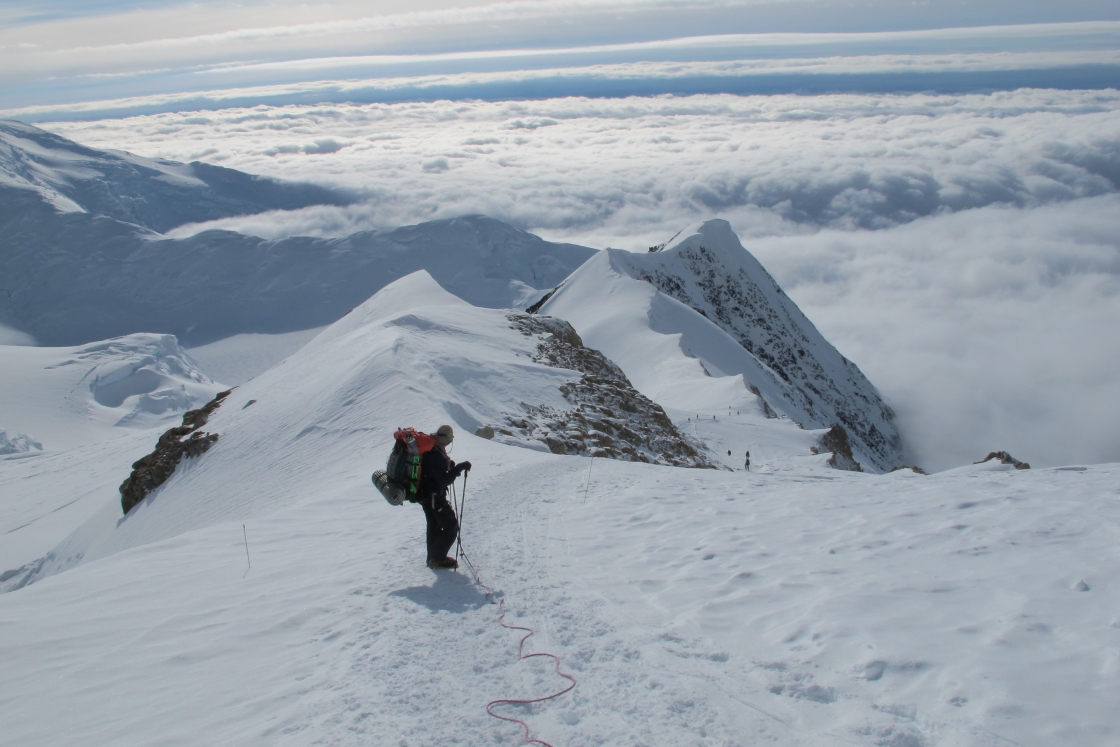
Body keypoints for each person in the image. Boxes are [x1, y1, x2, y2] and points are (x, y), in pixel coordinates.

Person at [419, 424, 471, 569]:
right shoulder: (436, 454)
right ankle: (437, 558)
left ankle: (432, 558)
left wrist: (450, 467)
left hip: (426, 496)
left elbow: (435, 473)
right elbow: (443, 480)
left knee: (434, 526)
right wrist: (458, 468)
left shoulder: (432, 450)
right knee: (451, 526)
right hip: (435, 497)